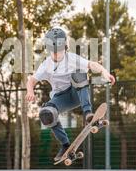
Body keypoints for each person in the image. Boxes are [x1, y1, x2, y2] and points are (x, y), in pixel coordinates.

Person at [26, 27, 116, 161]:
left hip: (76, 93)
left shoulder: (72, 58)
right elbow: (31, 80)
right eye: (54, 52)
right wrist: (30, 91)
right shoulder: (46, 65)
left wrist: (104, 72)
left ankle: (88, 113)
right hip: (61, 98)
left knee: (79, 74)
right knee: (46, 113)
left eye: (60, 51)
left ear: (65, 47)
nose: (57, 55)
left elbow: (92, 65)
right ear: (50, 50)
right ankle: (65, 145)